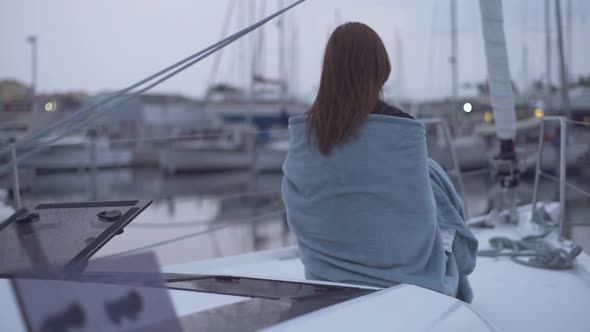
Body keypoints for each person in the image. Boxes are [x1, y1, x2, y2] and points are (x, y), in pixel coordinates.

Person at [281, 22, 478, 303]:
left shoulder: (306, 135)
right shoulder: (401, 129)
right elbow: (420, 216)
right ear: (381, 68)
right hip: (409, 279)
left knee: (428, 174)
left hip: (325, 279)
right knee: (431, 175)